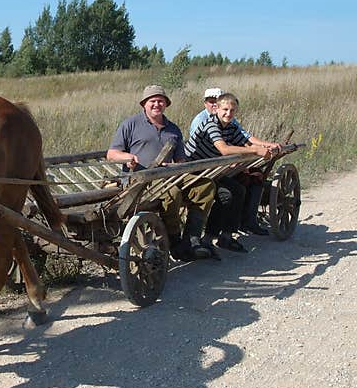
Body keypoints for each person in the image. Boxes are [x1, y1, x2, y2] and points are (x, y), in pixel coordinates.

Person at [107, 85, 217, 261]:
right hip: (141, 179)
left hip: (169, 175)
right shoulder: (130, 124)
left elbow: (182, 162)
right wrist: (127, 157)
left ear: (166, 104)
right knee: (172, 193)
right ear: (144, 104)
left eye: (161, 101)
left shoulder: (173, 129)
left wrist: (173, 167)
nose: (157, 104)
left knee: (206, 186)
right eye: (152, 101)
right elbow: (111, 154)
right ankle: (174, 241)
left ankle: (191, 238)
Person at [185, 92, 280, 252]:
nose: (228, 113)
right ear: (216, 109)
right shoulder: (211, 124)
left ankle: (226, 237)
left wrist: (267, 146)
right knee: (226, 194)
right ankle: (207, 238)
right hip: (192, 171)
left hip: (210, 171)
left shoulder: (230, 127)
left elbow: (246, 141)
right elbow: (224, 149)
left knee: (238, 190)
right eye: (225, 110)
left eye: (232, 110)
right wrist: (256, 151)